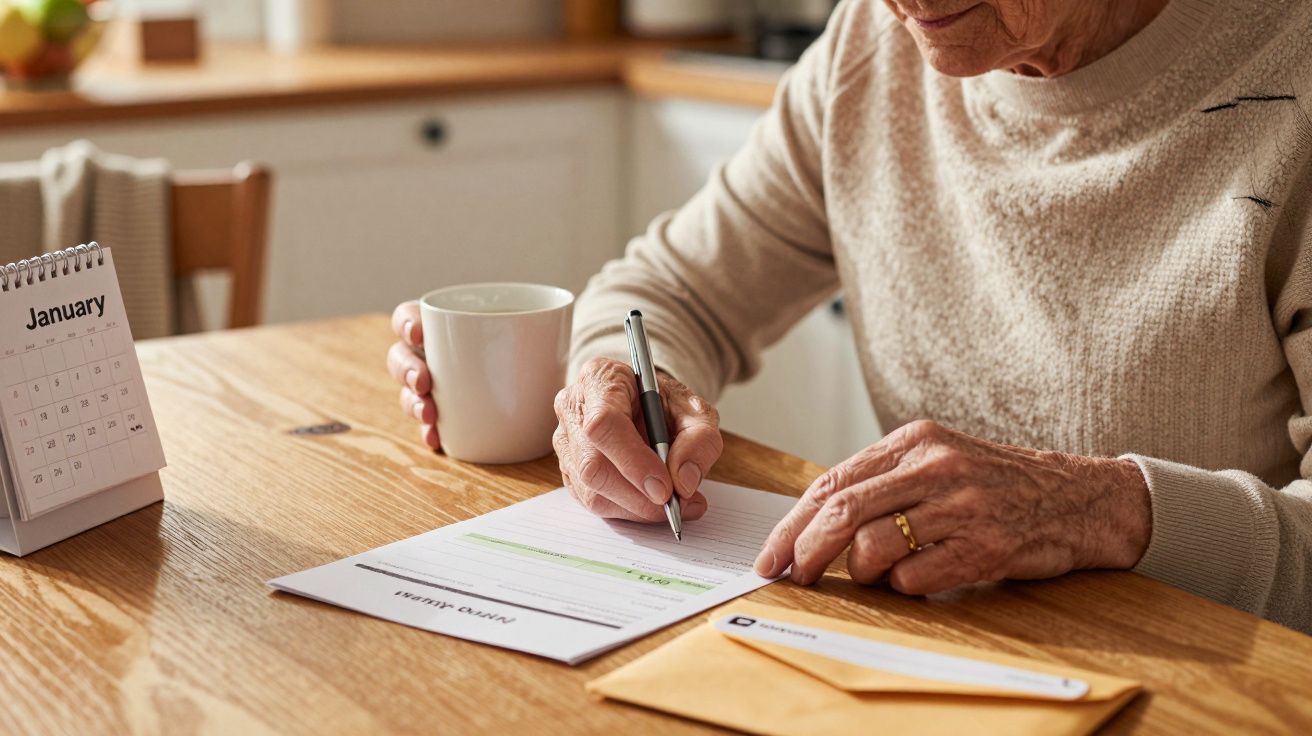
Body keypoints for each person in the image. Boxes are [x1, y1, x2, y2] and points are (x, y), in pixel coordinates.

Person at [388, 0, 1312, 633]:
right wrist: (620, 381)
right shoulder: (871, 47)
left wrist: (1110, 511)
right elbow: (665, 290)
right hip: (943, 657)